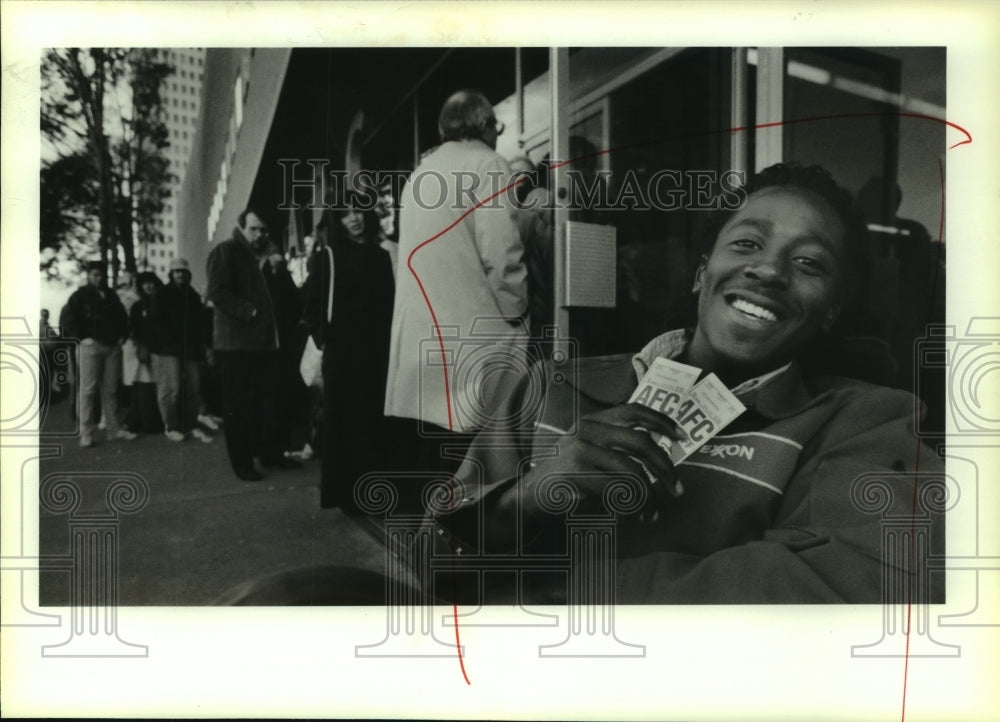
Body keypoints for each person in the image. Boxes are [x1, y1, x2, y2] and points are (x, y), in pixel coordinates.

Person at [428, 163, 946, 604]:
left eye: (809, 262)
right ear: (702, 273)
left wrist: (550, 600)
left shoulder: (864, 423)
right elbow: (428, 565)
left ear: (832, 310)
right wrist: (521, 502)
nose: (767, 269)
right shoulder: (549, 387)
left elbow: (856, 583)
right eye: (746, 243)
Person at [384, 89, 529, 480]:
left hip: (422, 338)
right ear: (483, 125)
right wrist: (517, 311)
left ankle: (436, 534)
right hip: (472, 338)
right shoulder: (490, 165)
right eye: (495, 128)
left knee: (436, 453)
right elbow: (501, 256)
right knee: (479, 456)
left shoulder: (419, 175)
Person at [303, 198, 395, 509]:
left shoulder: (381, 256)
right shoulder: (327, 257)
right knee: (346, 424)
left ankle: (374, 495)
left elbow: (390, 306)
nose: (353, 219)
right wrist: (330, 342)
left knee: (373, 424)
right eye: (345, 214)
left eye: (357, 212)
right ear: (336, 221)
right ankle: (348, 496)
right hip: (343, 356)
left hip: (377, 354)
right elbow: (311, 307)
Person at [206, 208, 297, 481]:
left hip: (267, 342)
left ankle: (271, 454)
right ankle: (242, 462)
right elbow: (217, 291)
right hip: (237, 344)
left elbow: (285, 295)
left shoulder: (270, 256)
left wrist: (279, 269)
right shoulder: (227, 251)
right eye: (253, 229)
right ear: (241, 227)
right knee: (238, 406)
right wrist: (250, 311)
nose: (258, 235)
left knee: (268, 401)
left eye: (262, 230)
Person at [60, 260, 137, 447]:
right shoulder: (79, 296)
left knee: (110, 391)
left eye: (102, 275)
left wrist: (123, 336)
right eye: (95, 274)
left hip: (112, 348)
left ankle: (114, 429)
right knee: (88, 391)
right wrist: (81, 338)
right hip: (90, 347)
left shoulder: (111, 296)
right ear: (88, 275)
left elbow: (122, 318)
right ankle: (85, 433)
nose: (99, 278)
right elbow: (69, 322)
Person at [151, 258, 213, 443]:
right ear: (171, 274)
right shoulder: (161, 294)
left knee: (193, 389)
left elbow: (201, 322)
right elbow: (156, 323)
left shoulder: (192, 295)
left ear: (188, 274)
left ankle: (190, 424)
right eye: (177, 271)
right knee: (172, 390)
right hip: (168, 350)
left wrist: (202, 345)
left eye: (183, 272)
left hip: (190, 349)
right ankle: (172, 426)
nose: (180, 275)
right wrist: (169, 342)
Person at [124, 271, 165, 434]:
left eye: (151, 282)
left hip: (159, 350)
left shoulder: (160, 304)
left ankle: (152, 422)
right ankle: (145, 423)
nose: (149, 286)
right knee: (143, 388)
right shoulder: (137, 306)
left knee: (156, 387)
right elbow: (134, 329)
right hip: (143, 351)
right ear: (140, 286)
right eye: (145, 283)